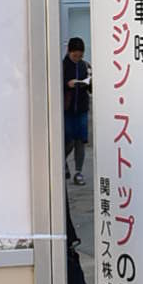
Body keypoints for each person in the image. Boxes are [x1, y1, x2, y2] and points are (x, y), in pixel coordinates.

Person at [61, 33, 91, 183]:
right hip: (66, 109)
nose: (77, 58)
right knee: (67, 141)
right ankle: (61, 162)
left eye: (80, 56)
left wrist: (89, 82)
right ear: (69, 51)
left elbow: (91, 87)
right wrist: (67, 84)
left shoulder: (84, 65)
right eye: (75, 55)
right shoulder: (61, 66)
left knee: (81, 140)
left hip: (82, 108)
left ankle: (78, 172)